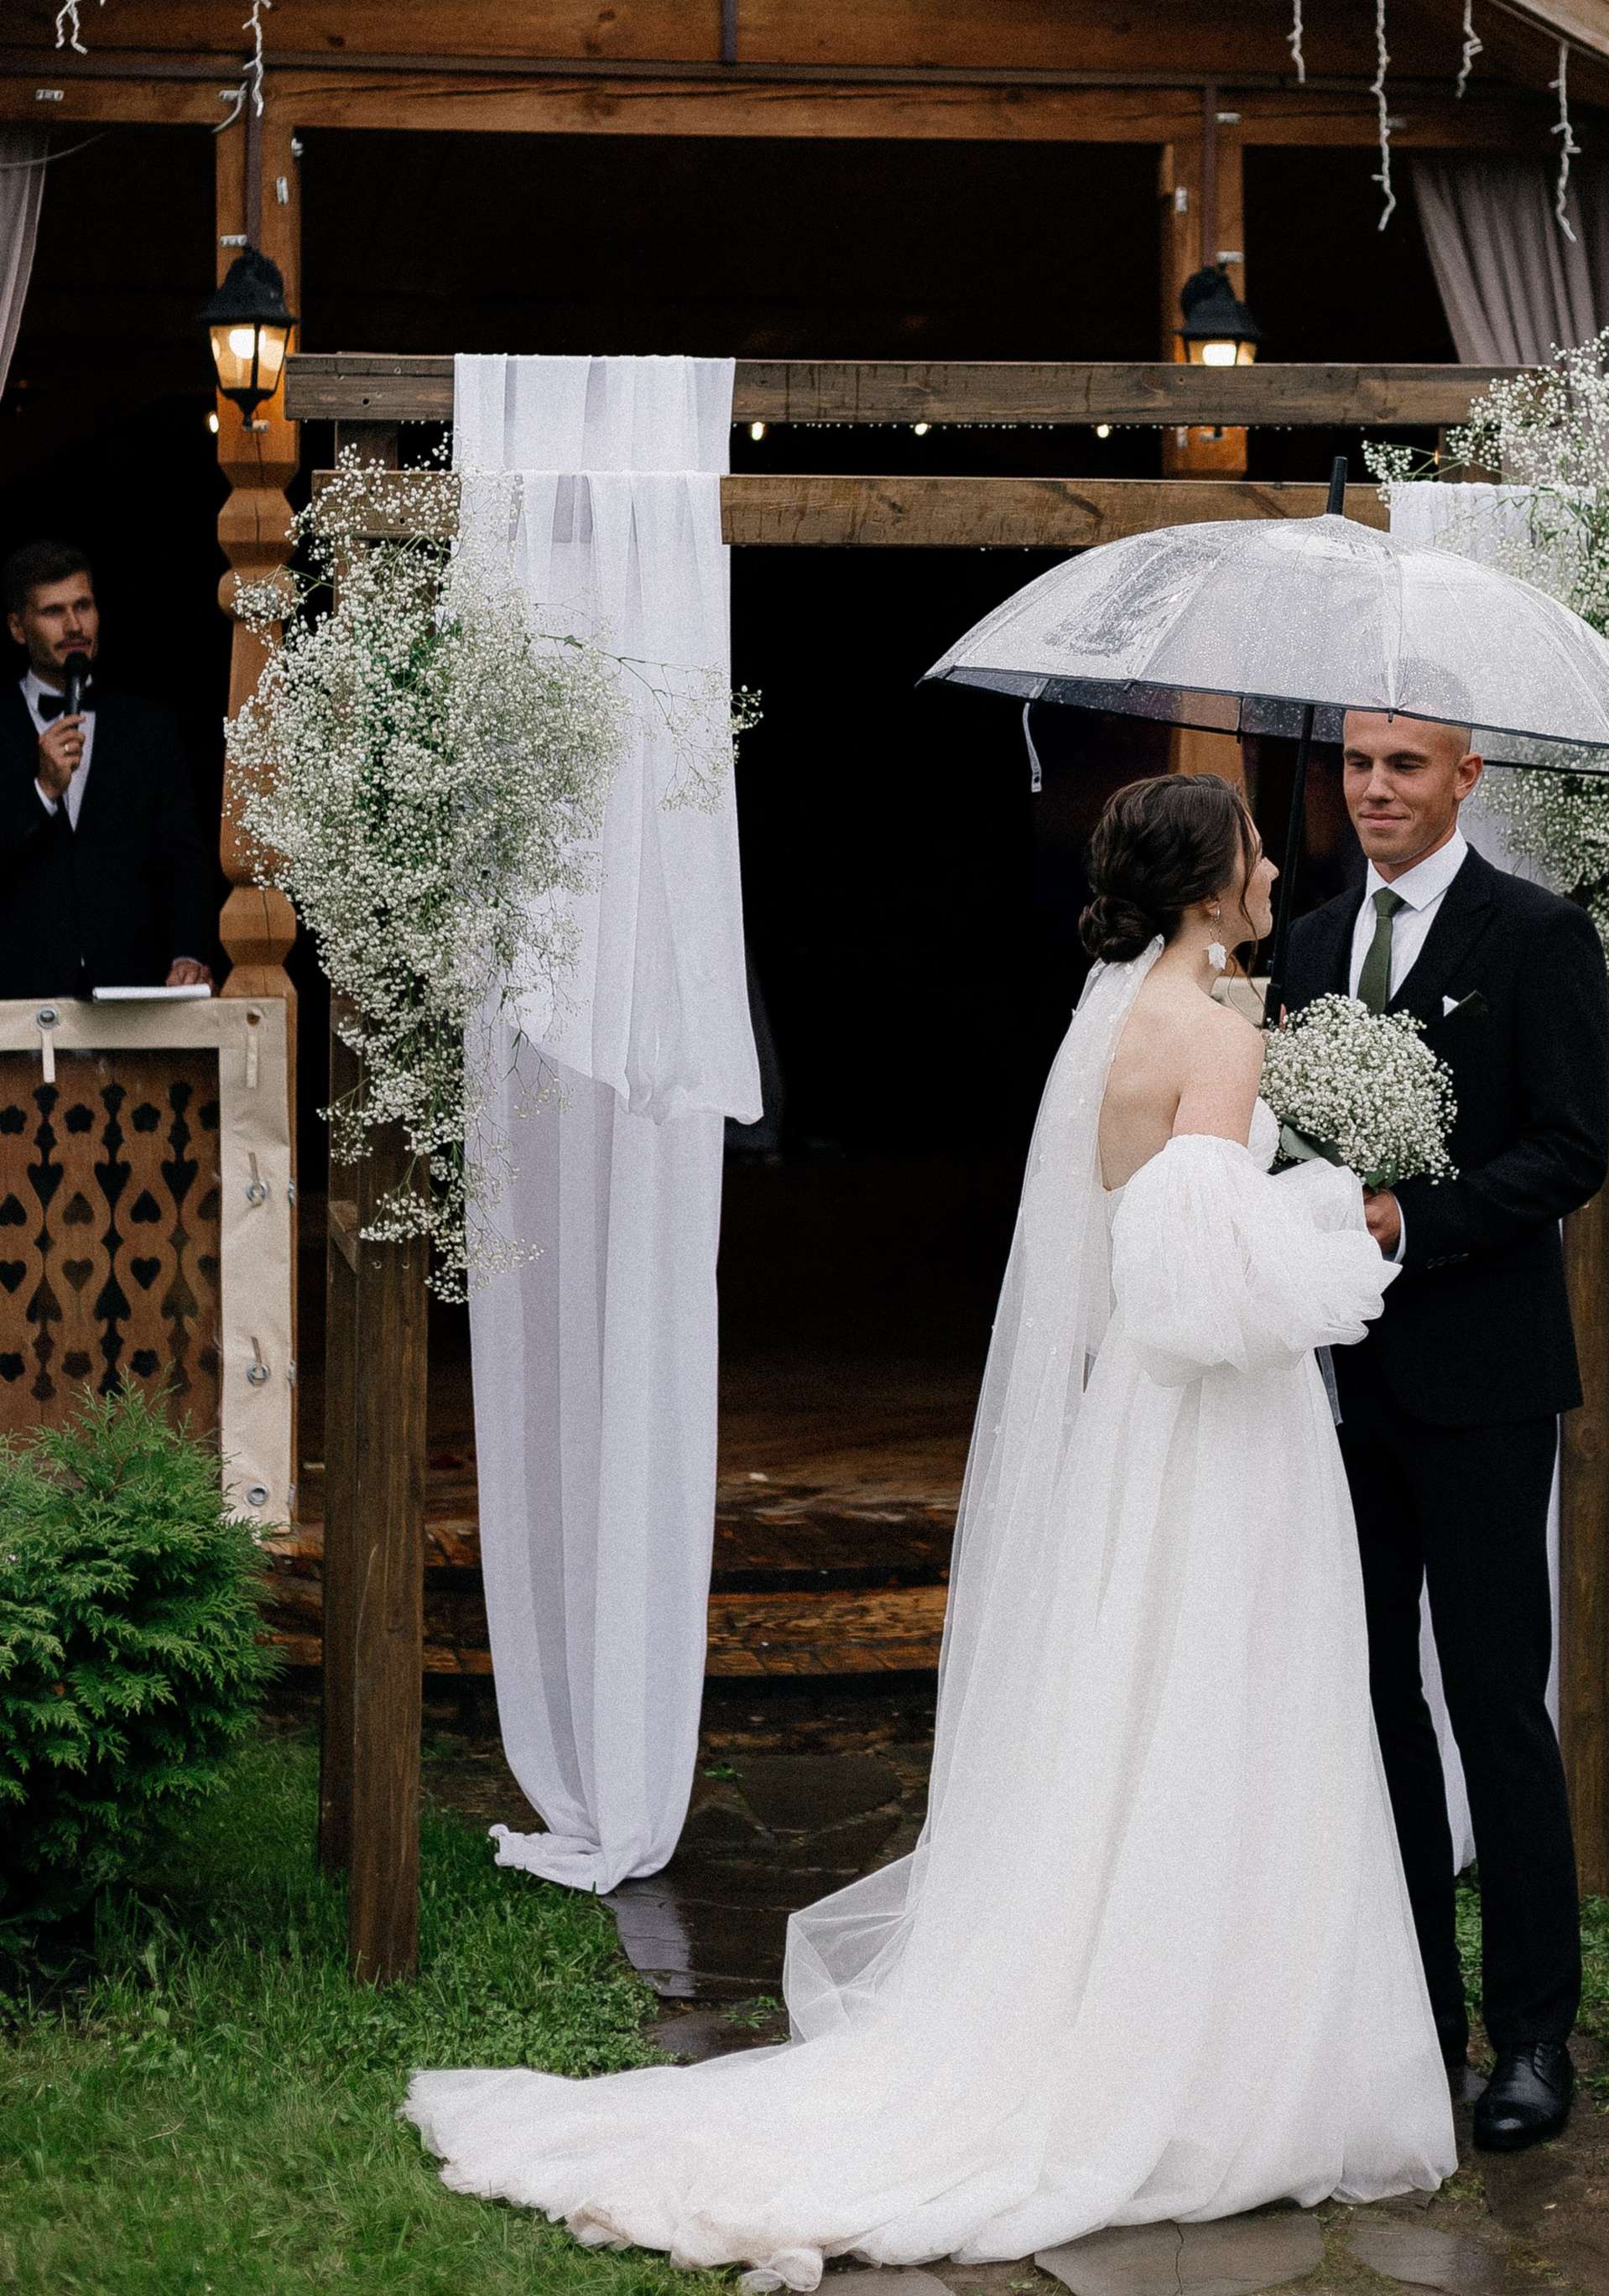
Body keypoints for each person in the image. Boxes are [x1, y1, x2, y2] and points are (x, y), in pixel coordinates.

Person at [405, 773, 1452, 2273]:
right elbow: (1201, 1285)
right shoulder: (1220, 1036)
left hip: (1137, 1423)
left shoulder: (1123, 1022)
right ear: (1208, 882)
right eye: (1257, 850)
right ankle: (1215, 2060)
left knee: (1139, 1705)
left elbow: (1142, 1236)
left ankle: (1144, 2008)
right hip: (1222, 1434)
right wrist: (1335, 1231)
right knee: (1224, 1704)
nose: (1280, 868)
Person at [1280, 711, 1609, 2158]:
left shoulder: (1536, 934)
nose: (1374, 789)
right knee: (1371, 1700)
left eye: (1404, 766)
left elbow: (1571, 1147)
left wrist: (1412, 1220)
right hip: (1333, 1385)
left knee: (1493, 1702)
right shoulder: (1307, 942)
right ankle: (1420, 2012)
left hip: (1483, 1383)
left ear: (1466, 778)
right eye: (1357, 764)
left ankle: (1535, 2035)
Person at [0, 540, 221, 1001]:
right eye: (53, 611)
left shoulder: (149, 728)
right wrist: (42, 791)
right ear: (18, 628)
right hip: (16, 995)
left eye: (83, 606)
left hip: (132, 993)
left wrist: (187, 953)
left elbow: (180, 857)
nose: (74, 626)